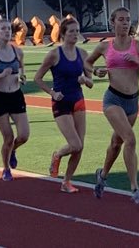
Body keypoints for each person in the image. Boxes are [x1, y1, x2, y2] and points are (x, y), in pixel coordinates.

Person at [86, 7, 139, 205]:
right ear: (113, 22)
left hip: (132, 102)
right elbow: (87, 63)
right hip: (113, 100)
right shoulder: (104, 47)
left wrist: (138, 62)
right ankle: (135, 188)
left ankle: (102, 175)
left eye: (127, 20)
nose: (125, 23)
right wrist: (96, 71)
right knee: (130, 139)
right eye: (121, 20)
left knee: (117, 143)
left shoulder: (138, 46)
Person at [35, 17, 93, 193]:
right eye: (71, 32)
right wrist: (52, 93)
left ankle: (66, 181)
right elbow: (37, 78)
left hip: (78, 99)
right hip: (61, 102)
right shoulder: (54, 54)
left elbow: (91, 82)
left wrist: (85, 79)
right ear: (63, 34)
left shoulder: (83, 54)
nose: (75, 34)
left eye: (77, 31)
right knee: (74, 144)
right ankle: (58, 154)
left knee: (80, 146)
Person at [0, 19, 29, 182]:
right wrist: (0, 75)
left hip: (16, 95)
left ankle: (13, 150)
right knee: (8, 137)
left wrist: (22, 77)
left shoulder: (18, 52)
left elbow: (22, 69)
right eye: (3, 29)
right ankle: (6, 168)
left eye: (9, 29)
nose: (7, 32)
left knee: (23, 135)